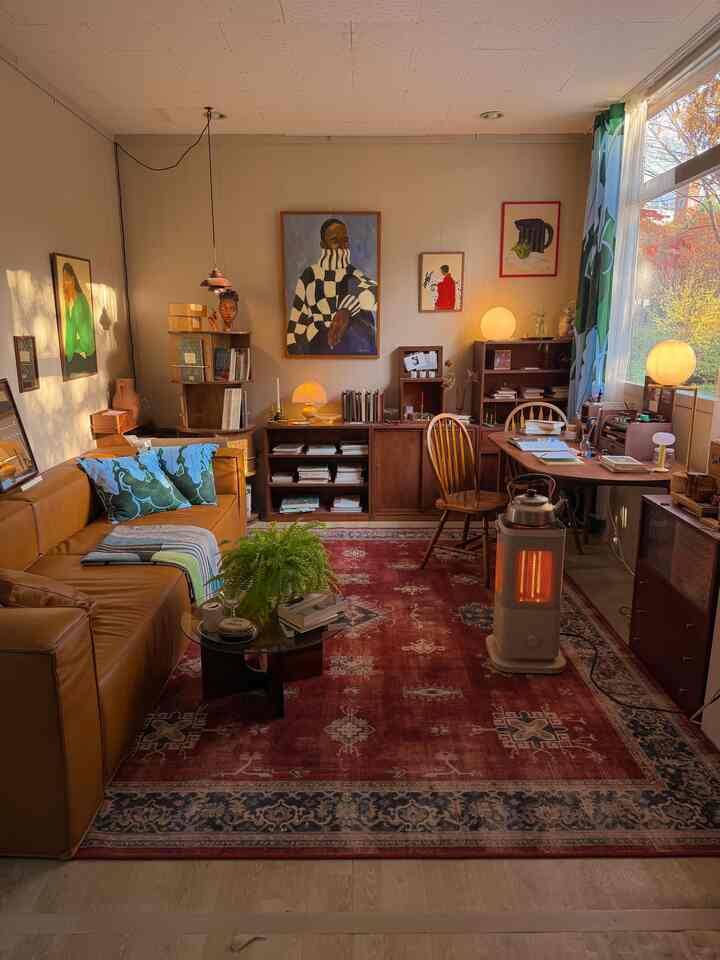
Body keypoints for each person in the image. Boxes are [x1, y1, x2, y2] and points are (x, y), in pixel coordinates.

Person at [286, 218, 377, 355]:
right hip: (317, 349)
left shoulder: (353, 274)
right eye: (335, 240)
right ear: (323, 244)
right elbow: (296, 323)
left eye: (345, 240)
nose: (342, 245)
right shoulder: (310, 275)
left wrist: (346, 309)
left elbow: (375, 296)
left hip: (351, 350)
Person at [61, 262, 96, 376]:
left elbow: (84, 332)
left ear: (73, 278)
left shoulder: (80, 300)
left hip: (84, 354)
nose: (64, 282)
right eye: (63, 279)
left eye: (67, 278)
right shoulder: (67, 302)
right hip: (72, 355)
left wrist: (76, 350)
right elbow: (70, 330)